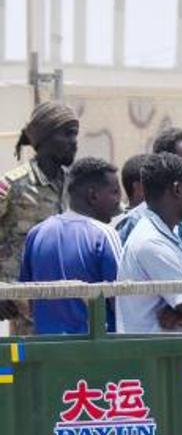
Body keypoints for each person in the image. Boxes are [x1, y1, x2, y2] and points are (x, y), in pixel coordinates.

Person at [19, 157, 123, 335]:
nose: (119, 201)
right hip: (94, 351)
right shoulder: (104, 234)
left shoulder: (37, 233)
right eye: (114, 192)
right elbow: (121, 301)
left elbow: (26, 300)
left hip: (47, 350)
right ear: (93, 196)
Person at [0, 101, 78, 331]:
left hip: (71, 304)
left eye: (75, 135)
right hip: (26, 310)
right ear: (45, 138)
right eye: (67, 134)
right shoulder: (14, 186)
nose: (74, 142)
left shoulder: (77, 185)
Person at [115, 153, 182, 334]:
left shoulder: (167, 232)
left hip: (171, 356)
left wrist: (181, 312)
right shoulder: (153, 243)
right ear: (177, 189)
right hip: (154, 359)